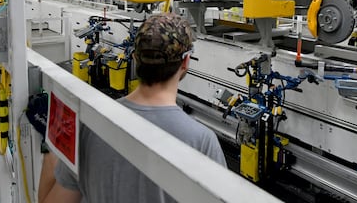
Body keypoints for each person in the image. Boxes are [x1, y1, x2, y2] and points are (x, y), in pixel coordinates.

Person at [38, 13, 227, 203]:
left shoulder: (89, 125)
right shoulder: (201, 141)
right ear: (185, 63)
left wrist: (52, 140)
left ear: (135, 58)